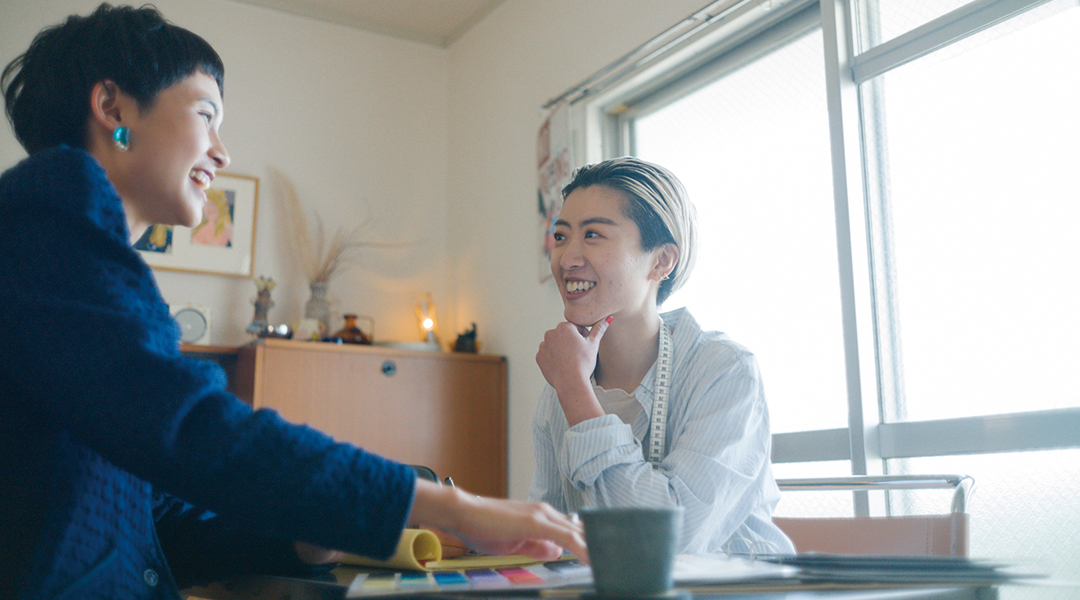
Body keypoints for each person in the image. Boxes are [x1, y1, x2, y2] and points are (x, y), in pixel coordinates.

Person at [0, 5, 585, 599]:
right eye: (207, 114)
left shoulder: (68, 256)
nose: (222, 153)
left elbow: (154, 528)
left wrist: (305, 537)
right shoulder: (45, 213)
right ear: (113, 108)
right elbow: (191, 426)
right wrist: (450, 508)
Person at [529, 157, 794, 555]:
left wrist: (574, 390)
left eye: (594, 235)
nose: (566, 259)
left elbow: (669, 542)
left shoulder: (724, 372)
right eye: (562, 236)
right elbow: (552, 535)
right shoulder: (561, 387)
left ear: (662, 260)